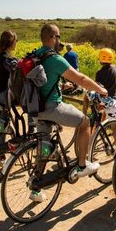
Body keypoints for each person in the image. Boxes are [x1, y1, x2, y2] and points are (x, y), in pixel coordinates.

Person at [31, 24, 108, 202]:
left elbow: (42, 80)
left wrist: (60, 86)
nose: (60, 40)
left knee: (44, 147)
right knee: (85, 122)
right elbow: (80, 78)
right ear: (52, 38)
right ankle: (82, 165)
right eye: (58, 36)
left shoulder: (36, 54)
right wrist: (100, 89)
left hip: (36, 109)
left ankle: (35, 188)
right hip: (52, 108)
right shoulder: (55, 58)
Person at [0, 30, 18, 165]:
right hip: (4, 95)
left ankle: (1, 154)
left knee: (2, 122)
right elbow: (16, 70)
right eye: (15, 41)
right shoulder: (7, 59)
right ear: (10, 43)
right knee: (4, 122)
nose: (16, 43)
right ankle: (2, 151)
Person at [95, 48, 116, 120]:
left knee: (88, 97)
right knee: (113, 122)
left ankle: (86, 113)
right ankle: (114, 130)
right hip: (112, 99)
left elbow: (96, 86)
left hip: (102, 99)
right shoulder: (114, 67)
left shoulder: (99, 73)